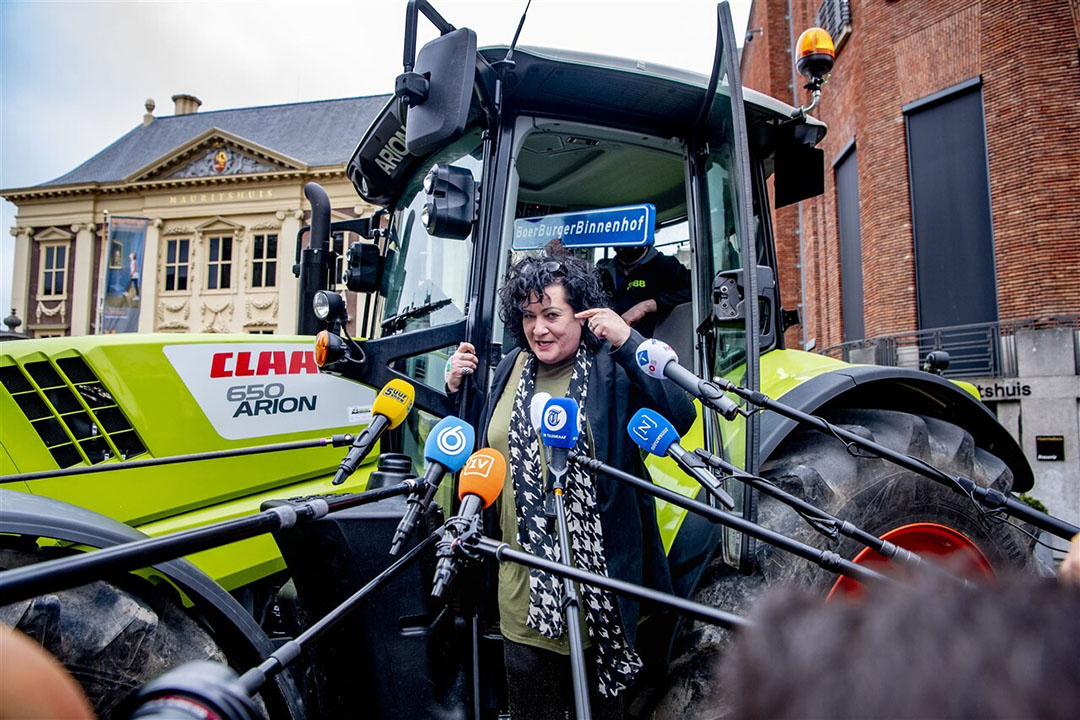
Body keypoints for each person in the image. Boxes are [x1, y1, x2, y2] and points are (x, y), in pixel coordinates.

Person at [446, 248, 695, 719]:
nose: (539, 329)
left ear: (582, 313)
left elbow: (679, 414)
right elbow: (486, 447)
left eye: (552, 314)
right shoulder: (509, 369)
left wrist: (628, 340)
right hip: (523, 588)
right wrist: (459, 394)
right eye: (528, 316)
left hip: (596, 591)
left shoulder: (611, 367)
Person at [596, 243, 691, 338]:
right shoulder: (603, 272)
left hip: (652, 343)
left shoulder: (666, 265)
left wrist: (647, 306)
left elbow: (697, 293)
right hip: (605, 342)